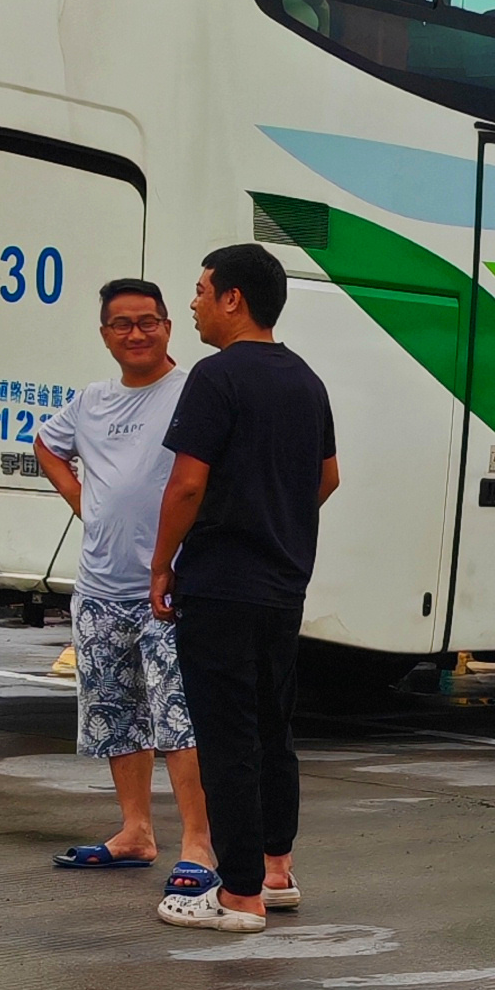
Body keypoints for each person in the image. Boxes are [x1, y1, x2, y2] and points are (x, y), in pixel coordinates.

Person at [149, 244, 340, 934]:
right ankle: (276, 869)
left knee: (226, 735)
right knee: (271, 729)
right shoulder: (306, 381)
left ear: (234, 299)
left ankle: (238, 896)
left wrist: (162, 562)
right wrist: (278, 520)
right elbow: (328, 477)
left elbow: (188, 482)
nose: (194, 303)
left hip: (222, 584)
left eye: (201, 290)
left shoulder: (216, 377)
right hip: (282, 585)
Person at [35, 279, 212, 887]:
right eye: (121, 324)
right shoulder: (91, 401)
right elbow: (45, 443)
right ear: (105, 334)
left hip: (168, 588)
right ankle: (135, 831)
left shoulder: (194, 391)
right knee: (115, 712)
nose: (135, 334)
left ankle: (199, 843)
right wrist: (82, 499)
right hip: (98, 589)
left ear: (168, 326)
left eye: (148, 321)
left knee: (178, 716)